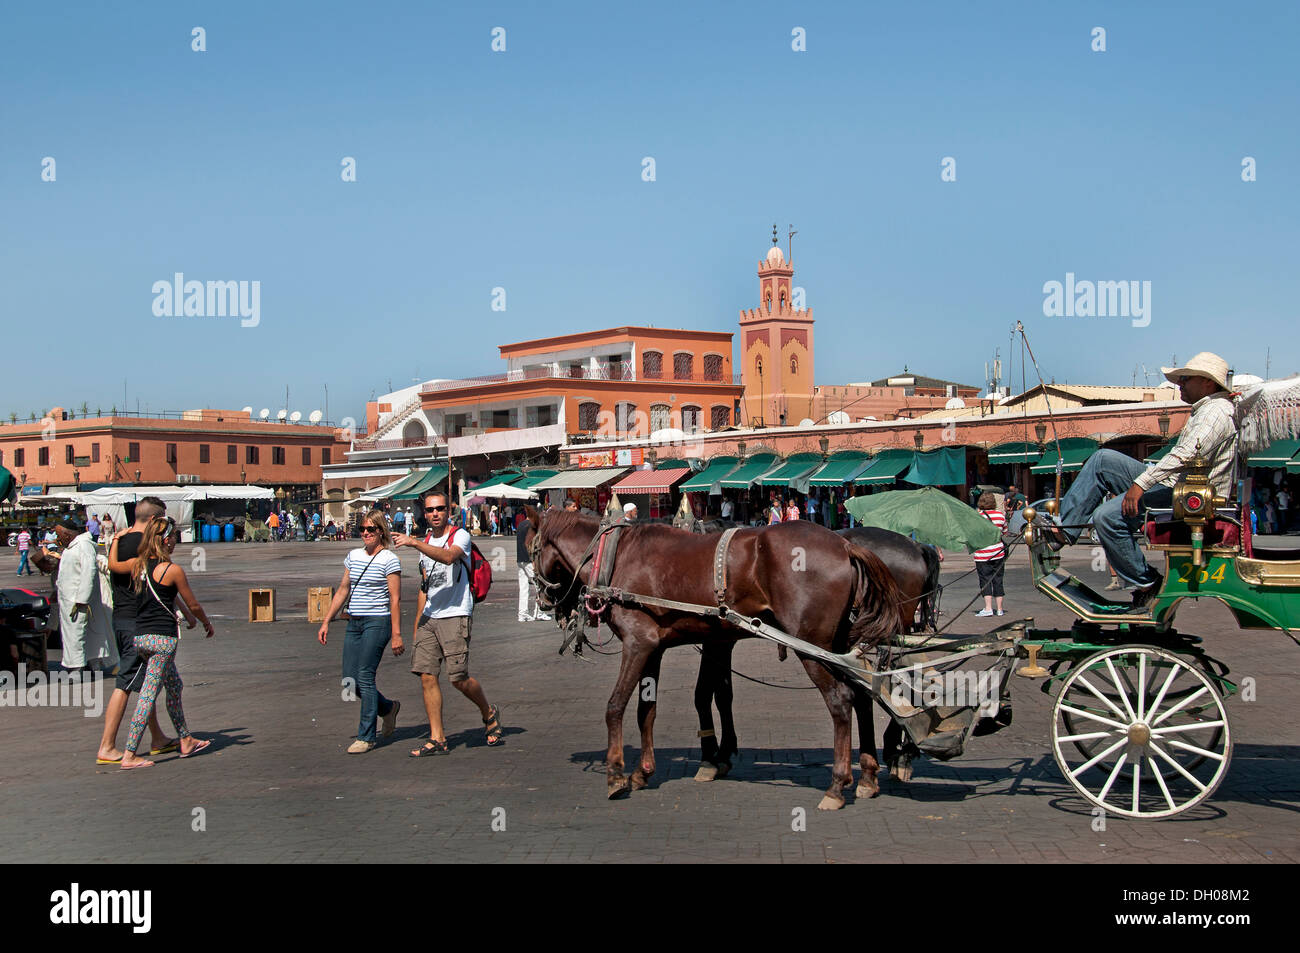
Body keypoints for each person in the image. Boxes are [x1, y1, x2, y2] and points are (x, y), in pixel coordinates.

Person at [1044, 352, 1236, 607]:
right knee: (1103, 460)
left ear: (1208, 383)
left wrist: (1140, 484)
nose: (1180, 384)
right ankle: (1065, 530)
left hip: (1189, 499)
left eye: (1186, 379)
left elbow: (1185, 454)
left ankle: (1146, 581)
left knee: (1107, 517)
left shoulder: (1216, 412)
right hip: (1178, 488)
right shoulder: (1207, 409)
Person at [396, 491, 501, 756]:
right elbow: (424, 587)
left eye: (440, 509)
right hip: (430, 617)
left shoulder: (460, 536)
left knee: (458, 678)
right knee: (427, 677)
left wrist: (413, 543)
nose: (435, 514)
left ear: (448, 511)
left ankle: (488, 711)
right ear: (425, 513)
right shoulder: (426, 540)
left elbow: (448, 557)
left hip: (455, 614)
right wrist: (418, 625)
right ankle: (437, 738)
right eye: (430, 510)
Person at [119, 516, 216, 769]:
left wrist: (115, 541)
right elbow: (192, 603)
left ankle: (185, 739)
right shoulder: (173, 570)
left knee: (174, 685)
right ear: (164, 540)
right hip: (162, 640)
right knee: (148, 696)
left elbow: (114, 566)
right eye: (173, 537)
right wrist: (205, 622)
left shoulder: (138, 566)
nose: (176, 541)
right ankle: (129, 754)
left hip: (140, 638)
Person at [318, 510, 403, 753]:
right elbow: (344, 589)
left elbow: (395, 600)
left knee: (365, 676)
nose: (366, 533)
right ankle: (387, 708)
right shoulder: (353, 556)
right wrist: (326, 621)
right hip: (354, 622)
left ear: (381, 532)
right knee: (349, 681)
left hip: (377, 622)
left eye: (371, 529)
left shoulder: (389, 559)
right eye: (362, 529)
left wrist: (396, 634)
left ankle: (367, 736)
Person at [98, 496, 175, 764]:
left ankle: (157, 737)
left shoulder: (121, 541)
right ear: (154, 520)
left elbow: (112, 567)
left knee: (145, 681)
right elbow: (161, 581)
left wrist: (116, 539)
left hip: (120, 617)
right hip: (137, 621)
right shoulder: (146, 546)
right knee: (127, 682)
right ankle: (107, 746)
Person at [52, 521, 117, 673]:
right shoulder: (73, 547)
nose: (57, 537)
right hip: (71, 601)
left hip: (78, 602)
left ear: (67, 534)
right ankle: (88, 665)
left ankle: (76, 668)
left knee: (76, 636)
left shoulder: (84, 546)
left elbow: (89, 572)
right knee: (79, 635)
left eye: (58, 534)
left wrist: (82, 599)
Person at [973, 492, 1007, 617]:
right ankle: (999, 609)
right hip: (998, 553)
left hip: (983, 554)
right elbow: (1005, 532)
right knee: (998, 580)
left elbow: (974, 534)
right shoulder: (1000, 515)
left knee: (985, 580)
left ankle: (988, 608)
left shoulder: (978, 517)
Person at [515, 515, 550, 623]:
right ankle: (539, 612)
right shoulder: (531, 526)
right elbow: (533, 545)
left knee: (524, 588)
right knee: (539, 586)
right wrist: (535, 562)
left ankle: (522, 614)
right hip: (529, 561)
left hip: (520, 560)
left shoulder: (521, 525)